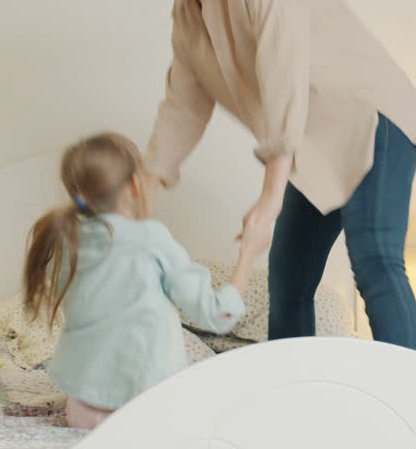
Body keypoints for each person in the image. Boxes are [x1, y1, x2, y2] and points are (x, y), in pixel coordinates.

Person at [118, 0, 416, 352]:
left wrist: (270, 199)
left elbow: (282, 78)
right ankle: (291, 405)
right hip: (308, 145)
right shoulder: (188, 15)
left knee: (374, 259)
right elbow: (183, 106)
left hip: (371, 120)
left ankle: (408, 406)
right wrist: (145, 184)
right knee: (288, 279)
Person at [23, 132, 271, 429]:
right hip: (147, 408)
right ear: (135, 185)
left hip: (83, 410)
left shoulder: (66, 241)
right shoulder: (151, 238)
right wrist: (249, 253)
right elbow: (218, 315)